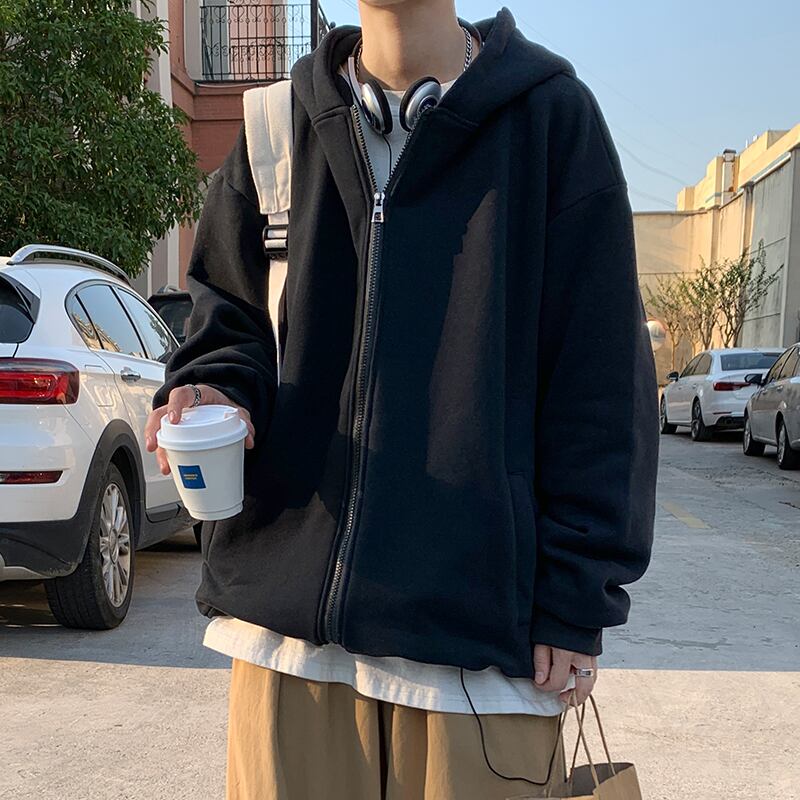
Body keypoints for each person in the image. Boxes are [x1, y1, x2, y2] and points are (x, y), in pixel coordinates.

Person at [145, 2, 659, 798]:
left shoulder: (552, 122)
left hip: (480, 666)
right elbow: (229, 317)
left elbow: (600, 382)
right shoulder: (276, 125)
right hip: (289, 649)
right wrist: (213, 384)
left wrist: (574, 594)